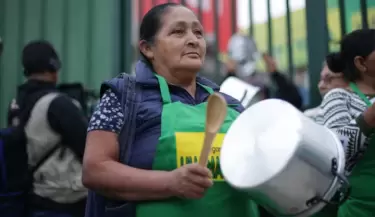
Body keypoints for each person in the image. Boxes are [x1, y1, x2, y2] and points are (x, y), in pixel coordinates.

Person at [83, 3, 259, 217]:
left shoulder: (230, 105)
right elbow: (94, 170)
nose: (193, 40)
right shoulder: (122, 96)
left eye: (198, 33)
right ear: (148, 48)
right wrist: (170, 182)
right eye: (178, 32)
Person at [9, 40, 88, 217]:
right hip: (64, 200)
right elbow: (88, 149)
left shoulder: (15, 104)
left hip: (32, 197)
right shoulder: (58, 104)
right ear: (54, 69)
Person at [315, 29, 375, 217]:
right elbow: (334, 153)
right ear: (361, 63)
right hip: (361, 207)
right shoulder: (338, 97)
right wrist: (369, 118)